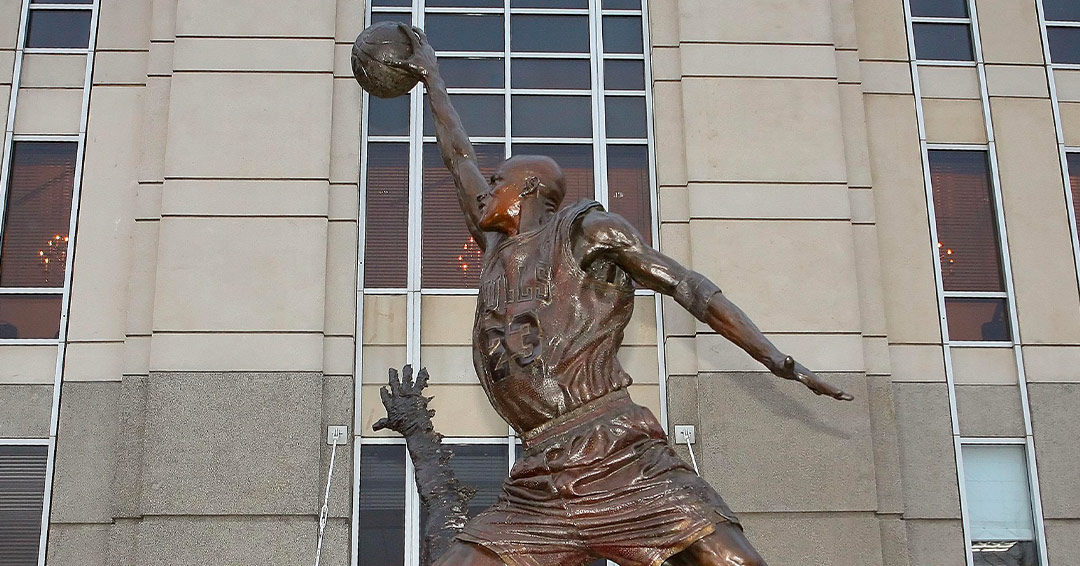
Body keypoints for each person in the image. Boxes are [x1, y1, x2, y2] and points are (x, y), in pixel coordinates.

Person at [386, 25, 853, 566]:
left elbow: (689, 286)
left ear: (531, 190)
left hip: (618, 451)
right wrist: (432, 81)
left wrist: (779, 359)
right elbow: (457, 158)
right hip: (542, 474)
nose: (485, 190)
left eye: (499, 182)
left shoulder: (589, 231)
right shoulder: (496, 246)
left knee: (735, 563)